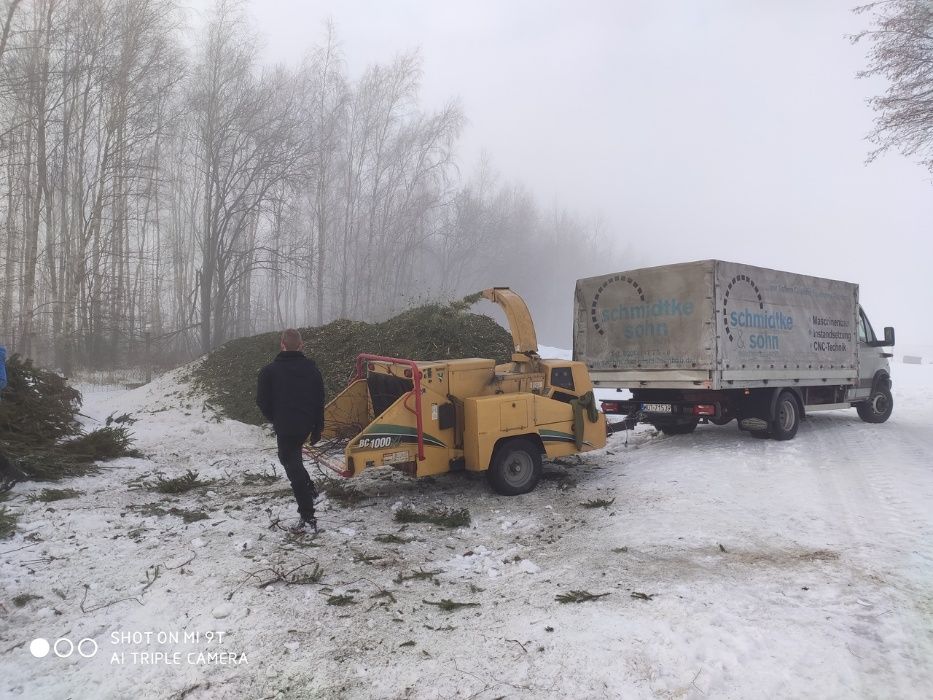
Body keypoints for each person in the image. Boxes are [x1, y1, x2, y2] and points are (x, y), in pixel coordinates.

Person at [256, 329, 326, 533]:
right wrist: (317, 428)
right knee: (289, 460)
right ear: (301, 345)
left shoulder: (269, 371)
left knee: (293, 468)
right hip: (304, 426)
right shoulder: (313, 370)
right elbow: (319, 400)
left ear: (282, 344)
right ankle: (310, 489)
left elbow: (262, 401)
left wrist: (274, 417)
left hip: (286, 427)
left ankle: (308, 516)